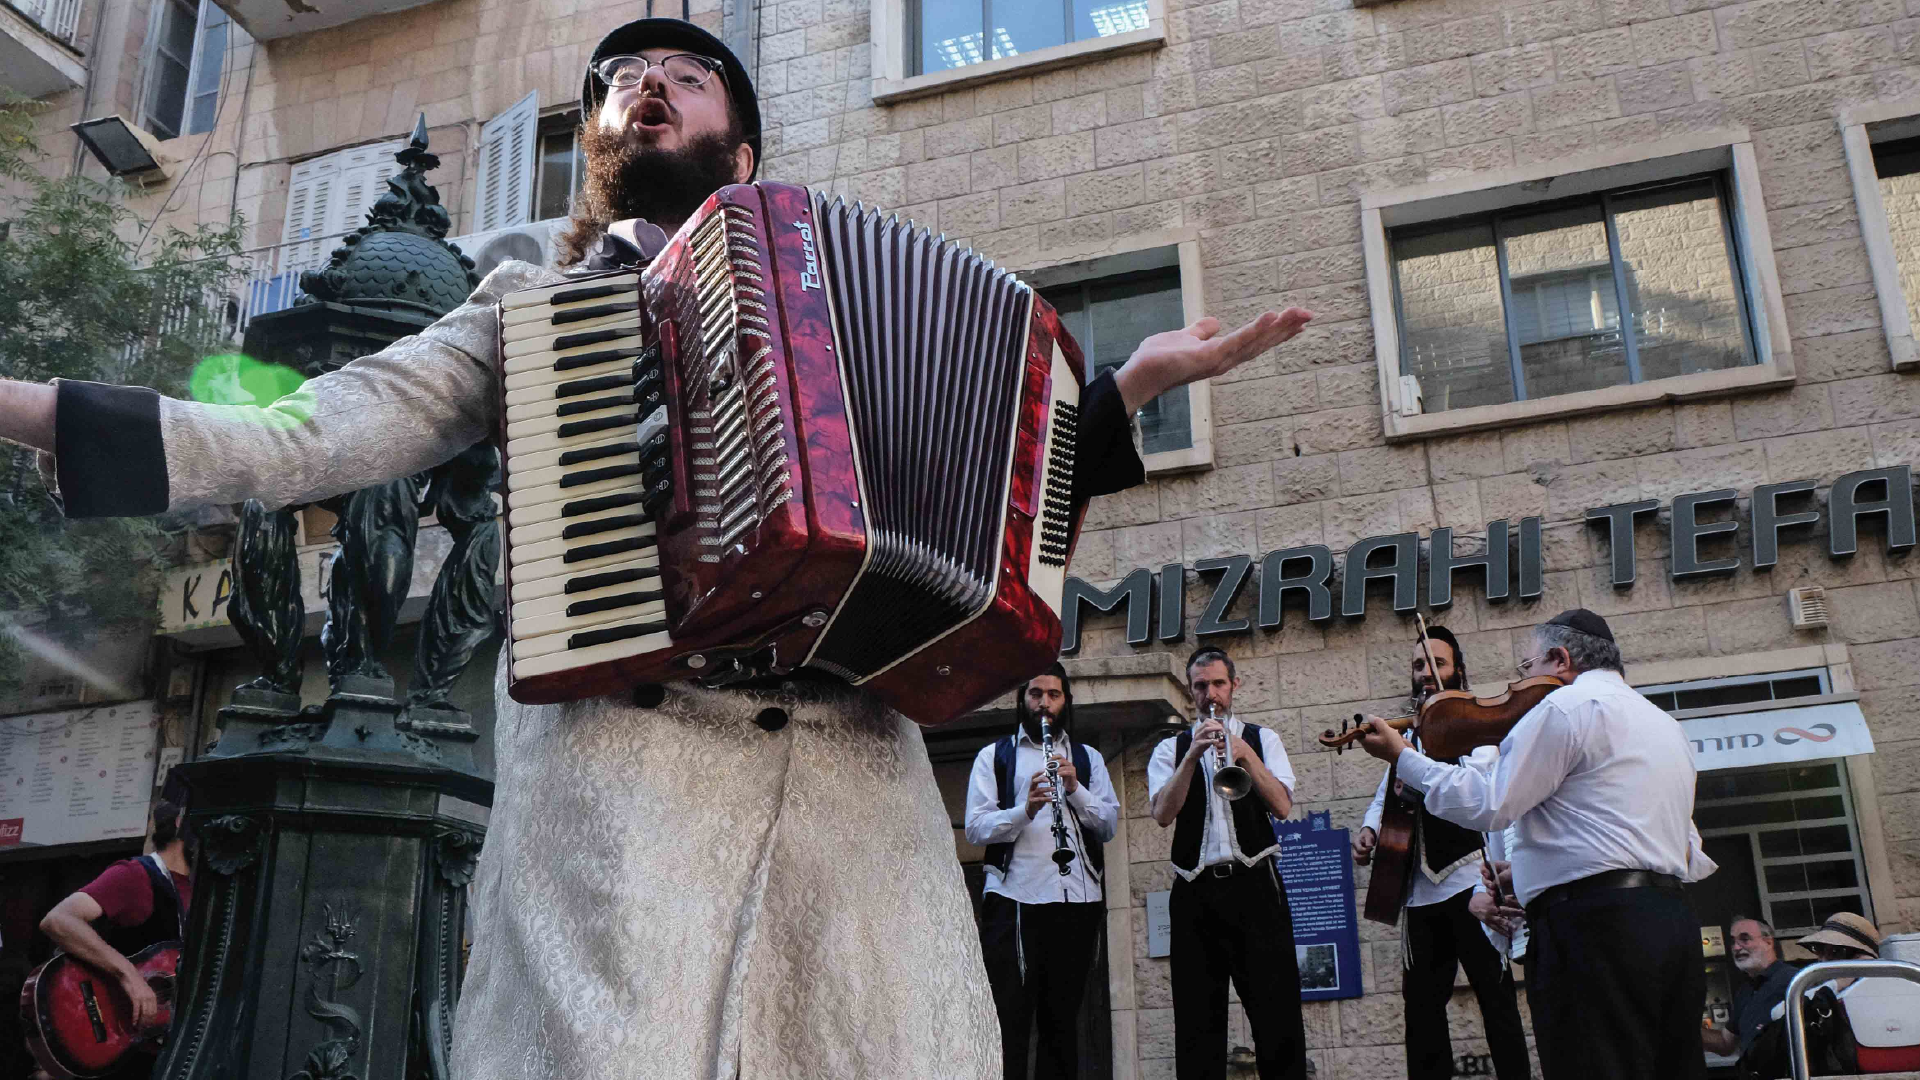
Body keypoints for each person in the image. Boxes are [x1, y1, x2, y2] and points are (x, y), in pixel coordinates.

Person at [0, 19, 1317, 1078]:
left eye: (685, 78)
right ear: (596, 148)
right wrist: (44, 413)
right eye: (623, 81)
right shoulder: (531, 309)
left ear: (740, 153)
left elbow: (987, 501)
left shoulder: (832, 306)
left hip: (858, 783)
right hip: (625, 770)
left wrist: (1129, 389)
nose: (649, 89)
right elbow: (316, 429)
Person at [1358, 608, 1718, 1080]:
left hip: (1595, 929)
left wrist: (1404, 758)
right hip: (1672, 921)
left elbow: (1490, 802)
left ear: (1560, 658)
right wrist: (1528, 874)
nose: (1523, 685)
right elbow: (1685, 845)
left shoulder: (1563, 708)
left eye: (1528, 669)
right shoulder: (1664, 724)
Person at [1352, 625, 1530, 1080]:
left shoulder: (1477, 731)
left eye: (1437, 663)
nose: (1427, 673)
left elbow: (1485, 792)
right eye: (1419, 665)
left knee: (1497, 1005)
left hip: (1472, 883)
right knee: (1422, 1017)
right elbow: (1382, 796)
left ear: (1457, 671)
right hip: (1418, 891)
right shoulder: (1404, 733)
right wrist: (1371, 829)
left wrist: (1414, 758)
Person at [1147, 647, 1305, 1080]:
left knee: (1277, 1016)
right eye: (1200, 686)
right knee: (1198, 1023)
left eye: (1218, 683)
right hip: (1196, 891)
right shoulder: (1171, 748)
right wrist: (1192, 756)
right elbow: (1162, 814)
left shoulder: (1263, 738)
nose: (1210, 693)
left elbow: (1282, 807)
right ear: (1190, 692)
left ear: (1234, 685)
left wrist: (1245, 756)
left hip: (1255, 885)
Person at [964, 662, 1120, 1080]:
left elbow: (1107, 826)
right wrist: (1025, 808)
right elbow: (977, 828)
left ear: (1066, 700)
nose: (1044, 704)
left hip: (1077, 898)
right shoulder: (994, 756)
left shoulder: (1088, 758)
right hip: (1016, 898)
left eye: (1053, 695)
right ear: (1022, 700)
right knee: (1010, 1020)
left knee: (1063, 1021)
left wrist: (1075, 789)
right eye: (1036, 694)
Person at [36, 799, 191, 1078]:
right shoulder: (136, 875)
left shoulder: (208, 892)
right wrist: (129, 975)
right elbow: (58, 920)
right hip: (119, 1046)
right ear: (183, 822)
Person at [1701, 916, 1796, 1059]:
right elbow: (1725, 1043)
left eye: (1745, 939)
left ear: (1768, 941)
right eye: (1733, 942)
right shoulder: (1746, 991)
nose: (1737, 947)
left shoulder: (1793, 981)